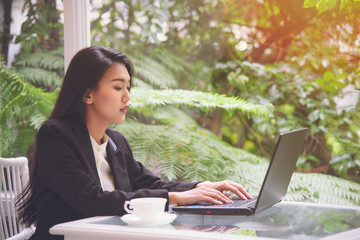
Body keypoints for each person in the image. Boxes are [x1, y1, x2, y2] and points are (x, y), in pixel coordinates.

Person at [17, 46, 252, 240]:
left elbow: (154, 184)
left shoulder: (116, 143)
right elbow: (90, 200)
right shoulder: (56, 135)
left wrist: (200, 188)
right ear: (88, 94)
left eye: (128, 87)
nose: (127, 97)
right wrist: (175, 198)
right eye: (118, 87)